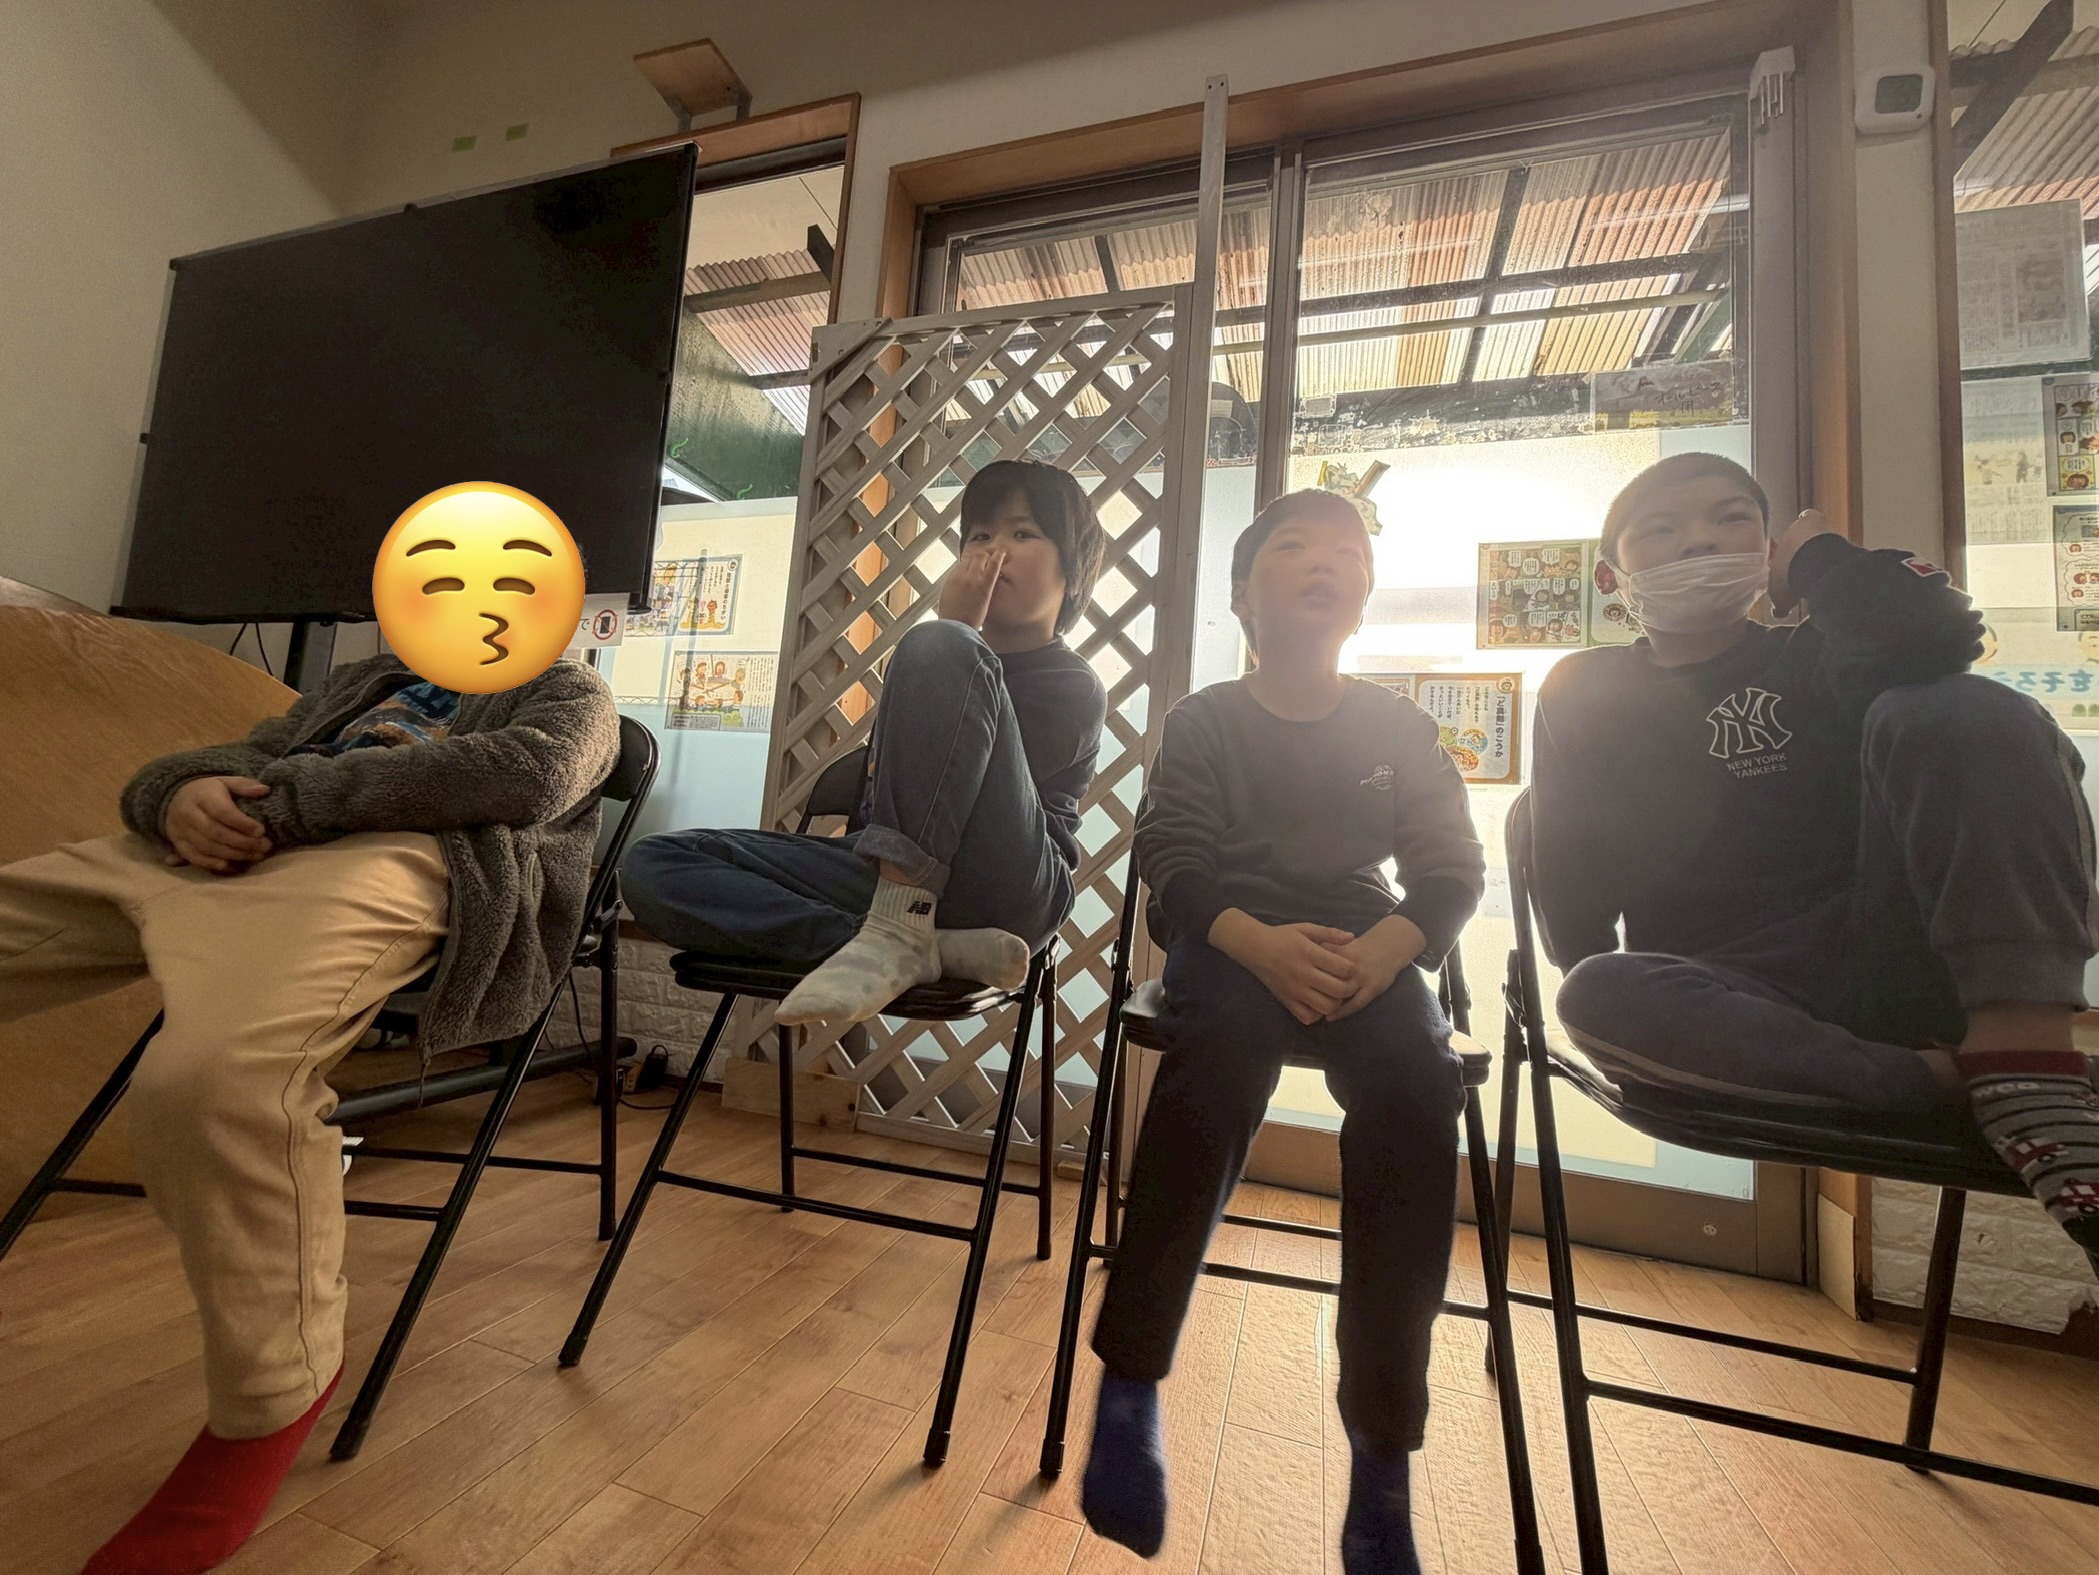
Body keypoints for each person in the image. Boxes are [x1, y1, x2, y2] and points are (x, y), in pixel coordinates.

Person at [0, 652, 619, 1573]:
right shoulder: (367, 679)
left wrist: (290, 800)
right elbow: (244, 750)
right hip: (224, 849)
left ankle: (274, 1390)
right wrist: (177, 795)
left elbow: (528, 774)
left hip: (394, 858)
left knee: (214, 1083)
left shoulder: (569, 687)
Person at [1530, 451, 2099, 1276]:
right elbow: (1564, 866)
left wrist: (1820, 561)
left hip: (1893, 964)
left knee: (1957, 704)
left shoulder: (1818, 654)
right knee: (1594, 991)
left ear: (1768, 555)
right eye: (1661, 528)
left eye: (1730, 519)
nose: (1698, 541)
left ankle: (2022, 1046)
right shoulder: (1579, 687)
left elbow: (1940, 637)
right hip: (1731, 991)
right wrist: (1595, 993)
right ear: (1610, 576)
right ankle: (1973, 1083)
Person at [1081, 490, 1485, 1574]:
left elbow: (1450, 866)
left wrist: (1390, 947)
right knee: (1216, 1060)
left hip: (1364, 944)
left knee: (1416, 1084)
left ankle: (1382, 1459)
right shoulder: (1207, 717)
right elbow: (1174, 859)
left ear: (1363, 593)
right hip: (1230, 938)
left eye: (1344, 551)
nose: (1322, 561)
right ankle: (1129, 1384)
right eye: (1293, 546)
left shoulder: (1396, 725)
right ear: (1242, 594)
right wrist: (1256, 945)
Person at [622, 458, 1109, 1025]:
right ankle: (917, 946)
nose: (994, 550)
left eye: (1022, 534)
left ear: (1074, 573)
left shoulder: (1071, 684)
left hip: (1006, 888)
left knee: (938, 646)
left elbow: (975, 800)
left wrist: (959, 631)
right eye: (980, 536)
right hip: (888, 884)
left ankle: (902, 930)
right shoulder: (941, 661)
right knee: (653, 864)